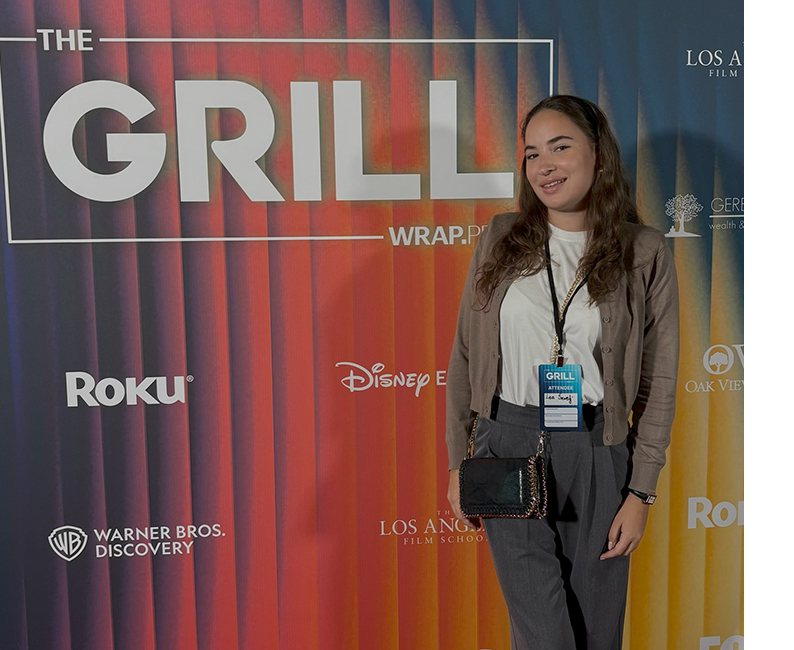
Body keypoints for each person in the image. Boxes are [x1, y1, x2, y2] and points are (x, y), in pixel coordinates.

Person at [445, 95, 679, 650]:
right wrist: (459, 463)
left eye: (560, 147)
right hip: (505, 446)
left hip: (598, 452)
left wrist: (640, 494)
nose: (544, 164)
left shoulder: (643, 251)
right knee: (543, 633)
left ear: (598, 154)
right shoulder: (500, 238)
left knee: (596, 632)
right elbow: (464, 359)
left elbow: (659, 382)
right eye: (531, 154)